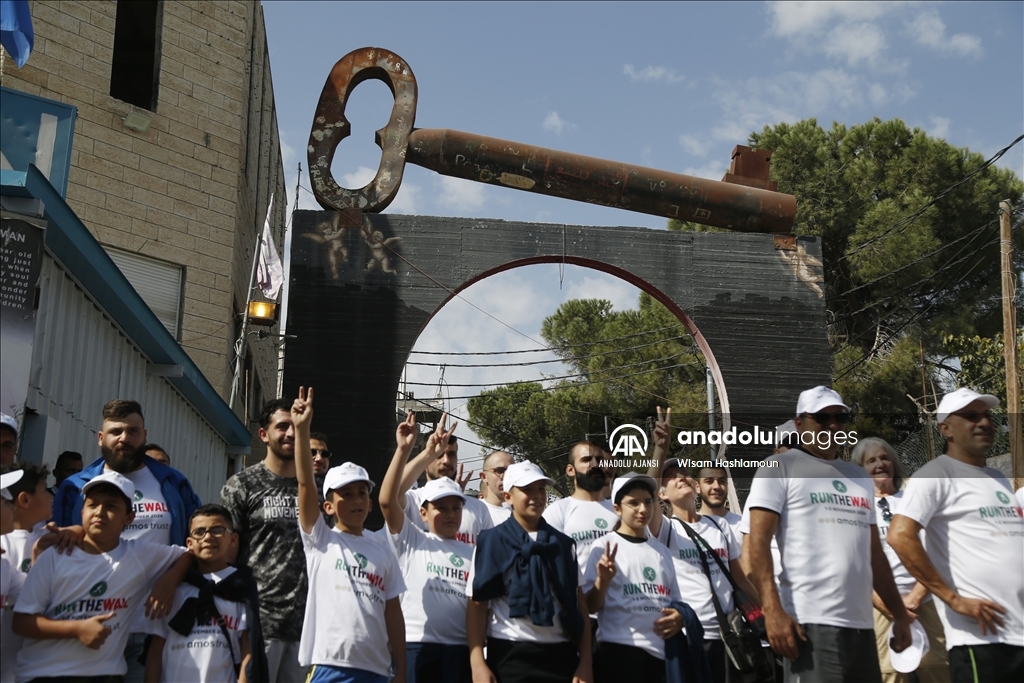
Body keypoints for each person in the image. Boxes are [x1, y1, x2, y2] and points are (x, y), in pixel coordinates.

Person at [742, 386, 911, 682]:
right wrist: (772, 611)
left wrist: (899, 615)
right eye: (821, 417)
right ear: (799, 423)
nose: (832, 425)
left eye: (840, 417)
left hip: (861, 624)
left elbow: (874, 554)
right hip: (809, 622)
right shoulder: (779, 467)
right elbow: (758, 544)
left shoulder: (858, 476)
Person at [51, 399, 202, 683]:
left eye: (133, 431)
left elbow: (195, 541)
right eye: (116, 431)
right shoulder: (75, 488)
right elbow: (58, 552)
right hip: (90, 622)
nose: (125, 438)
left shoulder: (172, 483)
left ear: (144, 436)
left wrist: (171, 580)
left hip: (153, 626)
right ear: (100, 438)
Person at [888, 388, 1024, 683]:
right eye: (971, 416)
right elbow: (900, 535)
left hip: (1018, 635)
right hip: (980, 640)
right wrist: (952, 598)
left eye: (987, 415)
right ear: (945, 428)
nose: (984, 423)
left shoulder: (998, 479)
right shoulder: (936, 473)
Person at [13, 471, 192, 681]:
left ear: (129, 518)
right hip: (43, 675)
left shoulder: (140, 555)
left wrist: (168, 582)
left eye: (111, 506)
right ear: (81, 512)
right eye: (92, 505)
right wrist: (77, 629)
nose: (99, 512)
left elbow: (189, 554)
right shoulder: (54, 556)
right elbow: (21, 623)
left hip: (105, 675)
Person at [292, 387, 407, 683]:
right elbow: (305, 484)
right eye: (346, 494)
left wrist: (402, 667)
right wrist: (302, 431)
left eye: (361, 493)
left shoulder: (383, 550)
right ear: (327, 506)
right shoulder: (320, 540)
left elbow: (393, 613)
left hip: (378, 670)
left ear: (370, 504)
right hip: (329, 666)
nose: (356, 499)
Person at [466, 460, 593, 683]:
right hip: (509, 654)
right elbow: (477, 605)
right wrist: (477, 662)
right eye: (526, 489)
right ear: (508, 496)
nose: (536, 496)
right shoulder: (491, 541)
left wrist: (585, 663)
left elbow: (578, 602)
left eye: (541, 489)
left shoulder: (562, 544)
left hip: (560, 655)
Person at [220, 398, 311, 683]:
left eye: (295, 426)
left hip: (304, 628)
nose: (290, 433)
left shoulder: (313, 489)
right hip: (257, 624)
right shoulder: (242, 485)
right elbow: (225, 554)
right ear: (264, 434)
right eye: (282, 426)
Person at [381, 412, 473, 683]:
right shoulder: (412, 539)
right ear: (423, 512)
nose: (449, 514)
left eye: (456, 508)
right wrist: (418, 453)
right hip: (415, 645)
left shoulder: (474, 553)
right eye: (441, 508)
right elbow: (388, 500)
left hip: (460, 651)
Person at [850, 437, 949, 683]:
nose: (880, 464)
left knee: (938, 667)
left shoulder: (913, 500)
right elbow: (854, 562)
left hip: (924, 601)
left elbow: (936, 551)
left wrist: (916, 596)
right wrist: (886, 603)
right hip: (878, 606)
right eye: (871, 460)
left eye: (884, 458)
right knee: (889, 673)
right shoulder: (855, 507)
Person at [146, 503, 264, 683]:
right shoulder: (174, 588)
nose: (208, 537)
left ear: (233, 540)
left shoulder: (241, 586)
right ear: (189, 543)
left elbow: (248, 650)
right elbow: (155, 650)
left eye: (217, 530)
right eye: (199, 532)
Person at [583, 472, 683, 683]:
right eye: (633, 503)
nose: (643, 509)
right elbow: (589, 607)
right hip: (618, 652)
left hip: (662, 656)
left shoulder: (662, 552)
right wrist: (603, 580)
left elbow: (676, 602)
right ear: (617, 508)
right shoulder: (603, 547)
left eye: (648, 502)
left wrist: (679, 617)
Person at [399, 418, 493, 545]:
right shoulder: (413, 500)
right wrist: (428, 453)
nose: (446, 461)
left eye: (452, 454)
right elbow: (392, 493)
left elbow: (489, 554)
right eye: (438, 454)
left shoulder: (478, 508)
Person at [0, 464, 54, 683]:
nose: (10, 507)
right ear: (25, 499)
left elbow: (31, 593)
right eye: (4, 502)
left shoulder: (3, 565)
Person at [543, 440, 617, 567]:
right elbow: (549, 562)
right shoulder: (558, 511)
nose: (595, 465)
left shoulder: (619, 510)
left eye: (600, 460)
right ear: (570, 470)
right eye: (586, 459)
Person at [695, 466, 741, 535]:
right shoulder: (687, 528)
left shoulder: (744, 526)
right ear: (697, 487)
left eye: (722, 481)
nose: (717, 486)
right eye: (709, 481)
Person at [478, 450, 512, 526]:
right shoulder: (475, 512)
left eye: (511, 471)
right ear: (484, 477)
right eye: (500, 471)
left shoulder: (524, 514)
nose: (506, 476)